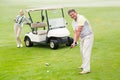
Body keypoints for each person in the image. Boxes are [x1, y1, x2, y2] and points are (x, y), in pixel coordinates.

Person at [68, 9, 94, 74]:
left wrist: (75, 42)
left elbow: (79, 31)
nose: (72, 16)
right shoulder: (73, 22)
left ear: (76, 13)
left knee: (86, 52)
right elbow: (75, 33)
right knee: (82, 51)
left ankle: (86, 69)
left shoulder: (81, 18)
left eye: (73, 14)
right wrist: (74, 42)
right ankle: (83, 65)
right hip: (82, 37)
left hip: (88, 36)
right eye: (70, 15)